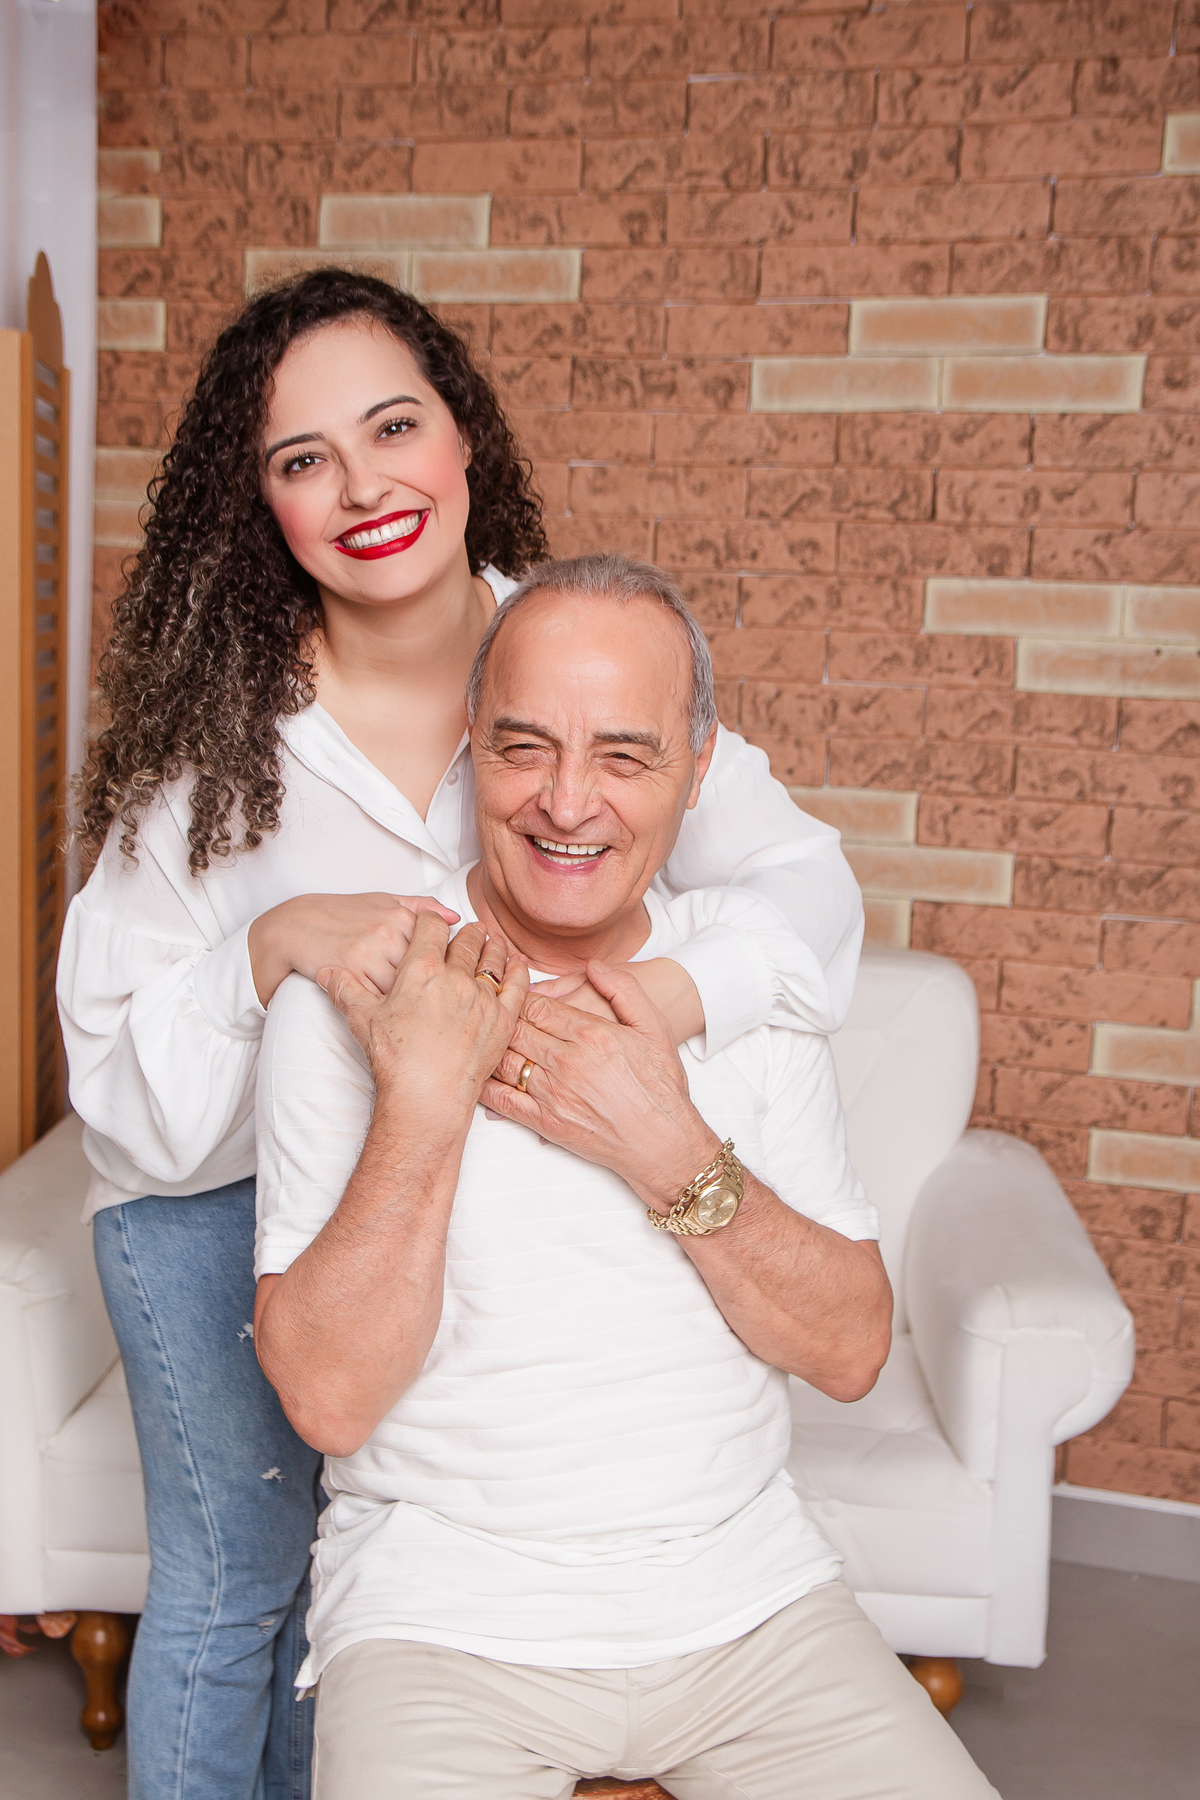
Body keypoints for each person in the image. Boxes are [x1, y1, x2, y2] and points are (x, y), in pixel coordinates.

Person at [57, 272, 862, 1800]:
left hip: (457, 1198)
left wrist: (663, 1006)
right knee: (237, 1592)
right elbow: (115, 1083)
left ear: (462, 436)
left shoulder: (581, 662)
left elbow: (815, 899)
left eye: (392, 428)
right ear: (262, 504)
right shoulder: (222, 734)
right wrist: (266, 951)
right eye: (303, 460)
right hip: (208, 1199)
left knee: (361, 1611)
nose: (363, 487)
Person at [253, 555, 999, 1800]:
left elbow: (850, 1349)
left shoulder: (746, 990)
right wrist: (425, 1104)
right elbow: (328, 1401)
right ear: (472, 748)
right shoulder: (360, 992)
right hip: (444, 1627)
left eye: (623, 756)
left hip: (754, 1613)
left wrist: (667, 1146)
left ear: (697, 772)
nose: (566, 802)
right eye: (525, 748)